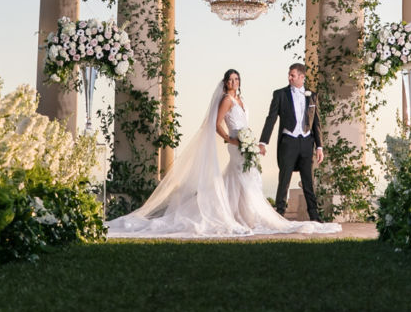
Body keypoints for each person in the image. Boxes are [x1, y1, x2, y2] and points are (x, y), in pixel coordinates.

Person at [105, 68, 340, 239]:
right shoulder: (228, 100)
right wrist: (233, 139)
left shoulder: (242, 99)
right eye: (230, 79)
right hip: (241, 144)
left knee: (240, 180)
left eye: (237, 79)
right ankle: (260, 216)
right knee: (249, 179)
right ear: (225, 82)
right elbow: (219, 125)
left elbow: (315, 122)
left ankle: (243, 215)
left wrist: (318, 145)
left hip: (257, 144)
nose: (234, 82)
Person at [257, 62, 324, 220]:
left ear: (302, 77)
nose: (289, 77)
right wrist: (263, 142)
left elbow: (316, 123)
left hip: (307, 142)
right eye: (289, 74)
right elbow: (271, 119)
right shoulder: (280, 94)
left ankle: (314, 214)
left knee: (308, 180)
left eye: (292, 75)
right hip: (289, 142)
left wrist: (319, 147)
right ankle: (279, 213)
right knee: (284, 178)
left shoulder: (312, 95)